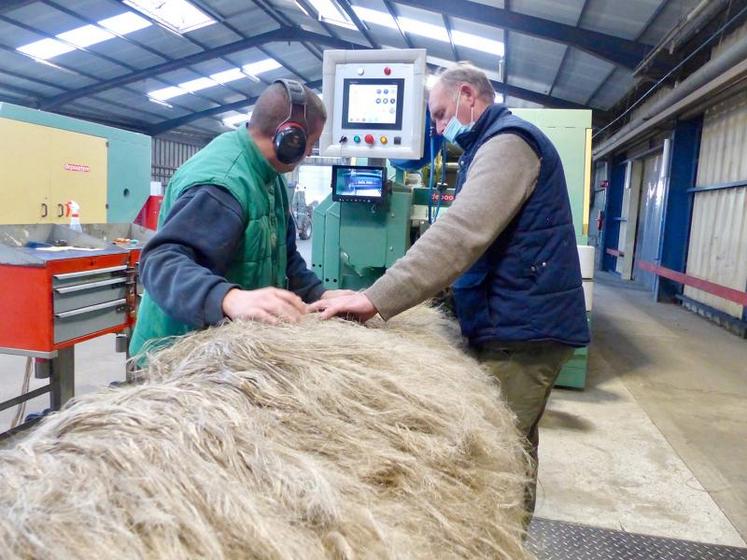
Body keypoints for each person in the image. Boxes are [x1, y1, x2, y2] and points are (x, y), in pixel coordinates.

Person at [311, 63, 590, 523]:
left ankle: (493, 545)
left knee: (498, 461)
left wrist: (375, 298)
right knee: (512, 450)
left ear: (468, 95)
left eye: (441, 115)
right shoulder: (489, 146)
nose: (439, 128)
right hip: (509, 322)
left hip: (522, 333)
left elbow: (461, 235)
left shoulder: (509, 145)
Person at [130, 80, 348, 356]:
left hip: (225, 351)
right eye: (309, 144)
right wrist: (229, 298)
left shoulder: (270, 176)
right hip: (176, 356)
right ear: (290, 139)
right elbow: (160, 262)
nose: (307, 154)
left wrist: (320, 295)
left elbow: (286, 256)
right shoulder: (222, 184)